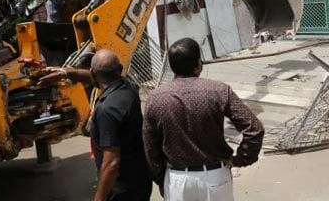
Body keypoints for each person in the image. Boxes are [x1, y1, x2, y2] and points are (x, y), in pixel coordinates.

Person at [143, 38, 264, 201]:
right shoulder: (219, 90)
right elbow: (254, 129)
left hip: (177, 181)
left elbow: (150, 147)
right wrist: (239, 159)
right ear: (198, 65)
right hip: (215, 178)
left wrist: (160, 178)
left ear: (172, 67)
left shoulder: (155, 98)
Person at [89, 49, 152, 201]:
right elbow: (102, 76)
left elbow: (112, 162)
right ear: (120, 69)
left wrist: (100, 197)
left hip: (121, 192)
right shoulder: (129, 87)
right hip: (140, 181)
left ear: (93, 73)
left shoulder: (106, 110)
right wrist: (68, 74)